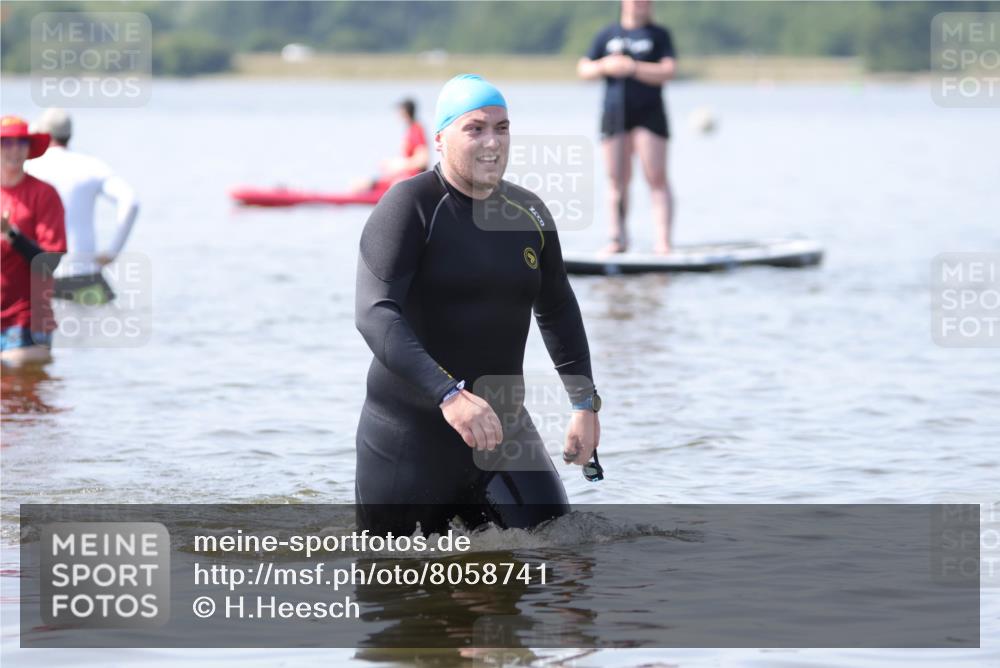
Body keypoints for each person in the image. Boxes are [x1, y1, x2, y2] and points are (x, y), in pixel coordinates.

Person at [354, 75, 602, 536]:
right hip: (410, 437)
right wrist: (449, 395)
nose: (492, 142)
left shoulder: (529, 215)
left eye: (502, 128)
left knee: (563, 556)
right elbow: (374, 312)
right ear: (441, 139)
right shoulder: (410, 207)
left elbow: (558, 309)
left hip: (503, 430)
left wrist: (584, 404)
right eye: (475, 129)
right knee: (401, 583)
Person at [577, 0, 677, 254]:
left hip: (649, 114)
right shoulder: (608, 34)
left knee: (656, 176)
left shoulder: (658, 35)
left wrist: (632, 68)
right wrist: (605, 66)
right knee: (616, 179)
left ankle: (663, 242)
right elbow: (584, 69)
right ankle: (617, 238)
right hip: (614, 113)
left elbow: (668, 70)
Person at [27, 108, 139, 304]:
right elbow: (130, 201)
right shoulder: (91, 165)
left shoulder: (28, 166)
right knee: (101, 332)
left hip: (40, 276)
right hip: (86, 276)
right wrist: (112, 252)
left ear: (42, 134)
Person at [1, 116, 66, 367]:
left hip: (26, 321)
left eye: (20, 142)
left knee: (23, 396)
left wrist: (12, 234)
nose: (14, 149)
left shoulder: (44, 194)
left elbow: (49, 263)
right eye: (6, 143)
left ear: (29, 148)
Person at [354, 98, 430, 194]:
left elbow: (423, 160)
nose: (397, 114)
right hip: (404, 178)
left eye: (399, 111)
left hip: (410, 182)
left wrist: (399, 165)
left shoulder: (416, 129)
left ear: (405, 112)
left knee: (360, 185)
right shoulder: (411, 129)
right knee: (362, 183)